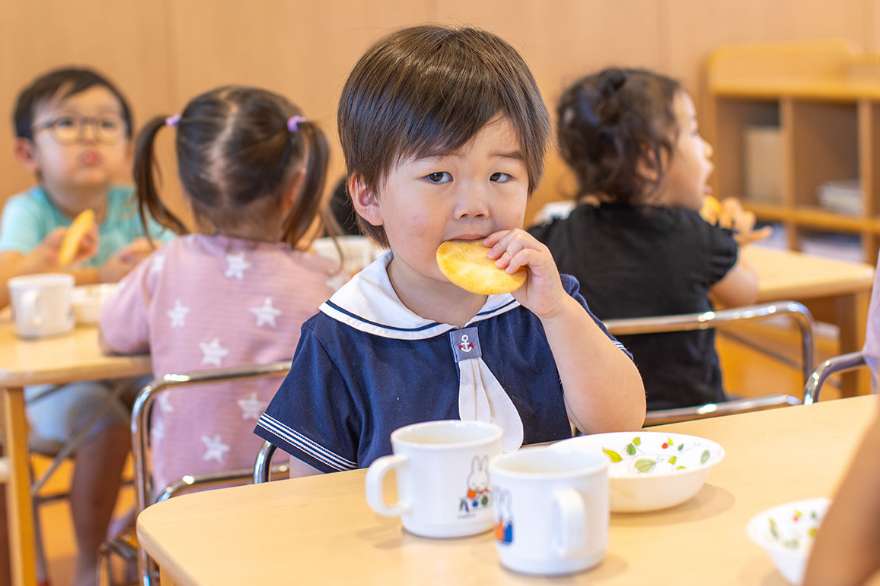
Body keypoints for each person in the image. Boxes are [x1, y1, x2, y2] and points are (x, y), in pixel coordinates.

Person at [255, 25, 646, 476]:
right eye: (439, 176)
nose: (474, 207)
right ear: (369, 197)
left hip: (541, 540)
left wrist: (558, 313)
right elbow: (308, 503)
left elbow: (622, 424)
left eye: (500, 176)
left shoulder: (546, 302)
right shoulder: (342, 335)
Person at [530, 67, 768, 410]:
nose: (708, 150)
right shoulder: (696, 234)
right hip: (695, 424)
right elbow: (746, 293)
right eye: (694, 133)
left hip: (595, 430)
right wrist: (733, 240)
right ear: (647, 161)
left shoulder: (551, 242)